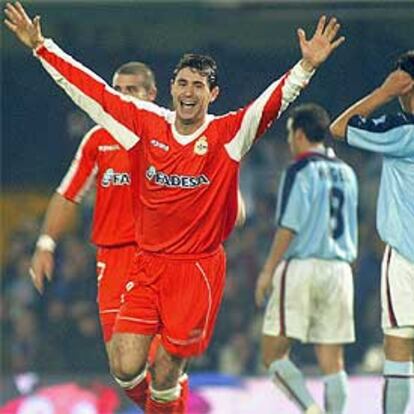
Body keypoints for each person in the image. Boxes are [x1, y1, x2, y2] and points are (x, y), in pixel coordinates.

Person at [5, 3, 345, 412]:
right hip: (147, 265)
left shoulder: (228, 134)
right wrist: (41, 46)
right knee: (125, 367)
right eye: (183, 83)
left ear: (212, 93)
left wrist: (306, 67)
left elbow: (274, 101)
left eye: (198, 85)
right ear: (171, 88)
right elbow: (92, 92)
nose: (188, 92)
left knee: (166, 373)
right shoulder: (146, 125)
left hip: (196, 271)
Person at [255, 104, 358, 414]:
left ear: (299, 134)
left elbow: (289, 225)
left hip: (302, 268)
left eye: (289, 135)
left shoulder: (298, 170)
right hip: (339, 271)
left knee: (273, 355)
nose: (289, 142)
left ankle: (311, 409)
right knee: (332, 363)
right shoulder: (348, 173)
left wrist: (268, 271)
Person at [330, 51, 414, 414]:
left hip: (406, 256)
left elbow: (339, 127)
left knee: (398, 347)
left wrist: (382, 92)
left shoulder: (403, 132)